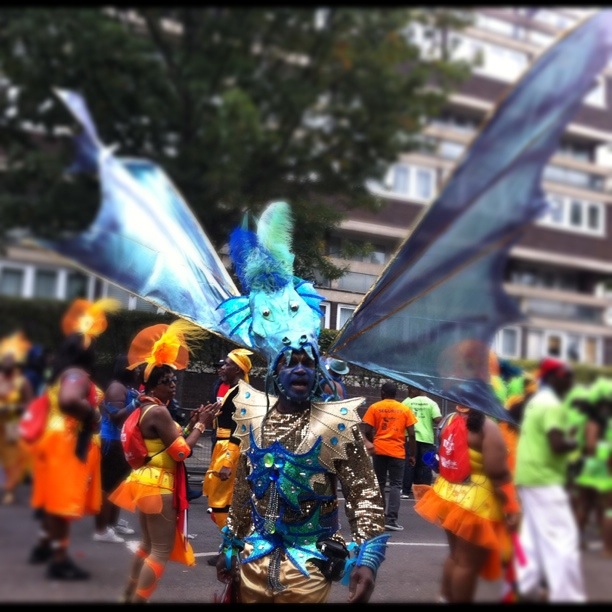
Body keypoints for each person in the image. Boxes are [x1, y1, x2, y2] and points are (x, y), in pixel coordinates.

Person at [216, 346, 388, 603]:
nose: (300, 369)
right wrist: (230, 545)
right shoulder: (253, 417)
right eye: (290, 363)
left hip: (310, 562)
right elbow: (243, 488)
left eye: (307, 363)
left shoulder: (334, 424)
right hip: (254, 556)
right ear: (275, 372)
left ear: (317, 372)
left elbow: (363, 491)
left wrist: (369, 558)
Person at [109, 319, 219, 603]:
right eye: (167, 381)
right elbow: (181, 452)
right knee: (159, 549)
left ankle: (128, 595)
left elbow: (167, 442)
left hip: (146, 482)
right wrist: (201, 425)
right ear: (154, 385)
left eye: (174, 380)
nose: (172, 385)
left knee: (147, 546)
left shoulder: (147, 407)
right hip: (160, 486)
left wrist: (189, 424)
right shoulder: (159, 413)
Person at [27, 297, 121, 580]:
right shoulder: (76, 375)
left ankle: (45, 547)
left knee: (53, 499)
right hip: (67, 441)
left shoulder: (62, 373)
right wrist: (92, 414)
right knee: (63, 502)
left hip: (55, 438)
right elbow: (70, 400)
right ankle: (59, 560)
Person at [414, 405, 522, 603]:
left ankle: (445, 598)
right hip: (475, 503)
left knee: (456, 556)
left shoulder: (450, 419)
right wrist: (511, 507)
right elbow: (498, 474)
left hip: (447, 495)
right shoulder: (487, 427)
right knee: (467, 563)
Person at [513, 357, 586, 602]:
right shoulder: (553, 405)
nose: (570, 381)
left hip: (528, 476)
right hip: (545, 478)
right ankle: (567, 596)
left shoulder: (536, 402)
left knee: (532, 537)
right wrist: (581, 443)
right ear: (555, 378)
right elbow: (557, 444)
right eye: (567, 376)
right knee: (562, 538)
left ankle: (528, 586)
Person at [202, 348, 253, 565]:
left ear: (238, 369)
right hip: (223, 448)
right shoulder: (235, 391)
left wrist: (228, 461)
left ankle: (233, 549)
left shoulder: (241, 392)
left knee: (222, 503)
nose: (222, 368)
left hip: (229, 450)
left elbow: (240, 429)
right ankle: (231, 547)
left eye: (227, 365)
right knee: (222, 502)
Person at [93, 354, 141, 543]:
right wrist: (136, 403)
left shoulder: (126, 388)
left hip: (121, 442)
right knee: (107, 486)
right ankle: (101, 529)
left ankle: (112, 523)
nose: (138, 370)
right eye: (135, 367)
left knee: (118, 484)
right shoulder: (115, 388)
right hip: (111, 441)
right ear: (126, 369)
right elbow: (116, 418)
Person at [361, 381, 417, 532]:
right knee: (395, 485)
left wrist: (373, 442)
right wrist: (412, 454)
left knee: (379, 483)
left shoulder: (375, 407)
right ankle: (391, 519)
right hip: (397, 451)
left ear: (382, 393)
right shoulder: (404, 409)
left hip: (379, 450)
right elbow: (411, 434)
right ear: (396, 394)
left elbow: (367, 430)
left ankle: (378, 516)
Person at [574, 376, 612, 556]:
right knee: (607, 509)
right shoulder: (603, 419)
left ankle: (575, 543)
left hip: (590, 465)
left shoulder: (592, 418)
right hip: (605, 466)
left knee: (584, 505)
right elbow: (592, 444)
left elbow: (588, 444)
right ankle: (607, 548)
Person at [0, 331, 35, 505]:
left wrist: (13, 408)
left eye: (10, 359)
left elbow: (30, 405)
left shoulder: (22, 382)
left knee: (11, 459)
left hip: (12, 424)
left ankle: (10, 490)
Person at [400, 385, 442, 499]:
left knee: (410, 463)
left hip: (410, 437)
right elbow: (438, 419)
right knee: (425, 465)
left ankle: (405, 491)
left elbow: (400, 417)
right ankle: (423, 491)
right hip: (426, 438)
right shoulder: (432, 403)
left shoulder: (408, 402)